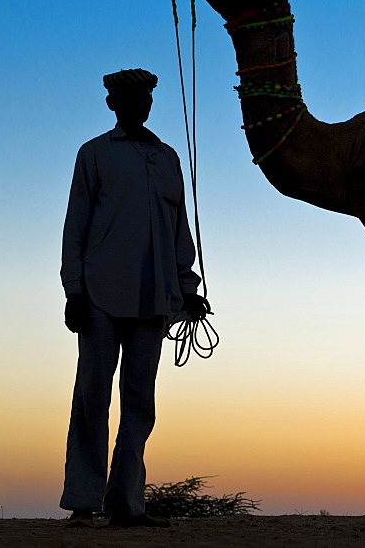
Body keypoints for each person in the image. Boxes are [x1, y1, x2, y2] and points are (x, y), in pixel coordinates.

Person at [59, 68, 209, 529]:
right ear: (113, 104)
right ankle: (83, 501)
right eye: (129, 97)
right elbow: (75, 226)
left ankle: (127, 505)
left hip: (156, 297)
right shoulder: (95, 154)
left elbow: (180, 228)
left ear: (150, 102)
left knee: (140, 403)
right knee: (91, 396)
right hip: (100, 293)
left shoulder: (167, 158)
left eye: (144, 97)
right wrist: (74, 290)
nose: (139, 104)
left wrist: (189, 287)